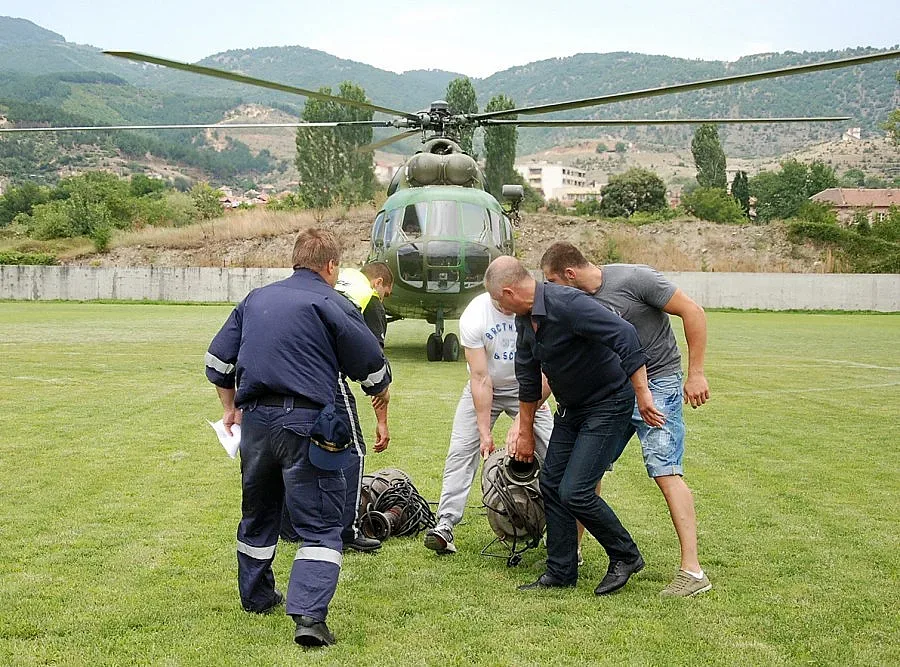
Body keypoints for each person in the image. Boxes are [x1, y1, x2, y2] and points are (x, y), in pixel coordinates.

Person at [205, 228, 391, 648]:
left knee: (258, 513)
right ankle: (309, 617)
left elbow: (217, 362)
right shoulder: (332, 303)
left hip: (256, 423)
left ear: (294, 260)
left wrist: (229, 408)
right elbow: (372, 366)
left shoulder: (255, 299)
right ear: (330, 266)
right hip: (308, 424)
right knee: (321, 524)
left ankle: (256, 596)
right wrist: (381, 395)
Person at [484, 256, 664, 596]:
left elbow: (625, 334)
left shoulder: (567, 304)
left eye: (497, 299)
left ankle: (625, 556)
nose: (497, 306)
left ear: (508, 292)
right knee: (552, 483)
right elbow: (528, 377)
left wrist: (642, 394)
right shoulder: (524, 319)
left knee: (576, 491)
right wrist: (524, 432)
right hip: (572, 408)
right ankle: (561, 571)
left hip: (608, 404)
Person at [540, 242, 712, 597]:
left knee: (665, 470)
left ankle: (692, 571)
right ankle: (573, 551)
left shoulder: (635, 279)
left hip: (658, 383)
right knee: (587, 470)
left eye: (552, 282)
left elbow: (693, 311)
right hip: (613, 392)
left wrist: (696, 373)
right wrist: (524, 416)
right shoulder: (576, 304)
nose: (549, 290)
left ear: (569, 274)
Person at [423, 291, 554, 554]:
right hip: (486, 387)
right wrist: (484, 433)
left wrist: (523, 422)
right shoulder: (475, 314)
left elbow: (549, 371)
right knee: (461, 450)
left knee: (554, 450)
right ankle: (445, 524)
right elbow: (480, 378)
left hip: (529, 388)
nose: (507, 308)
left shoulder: (536, 308)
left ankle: (559, 531)